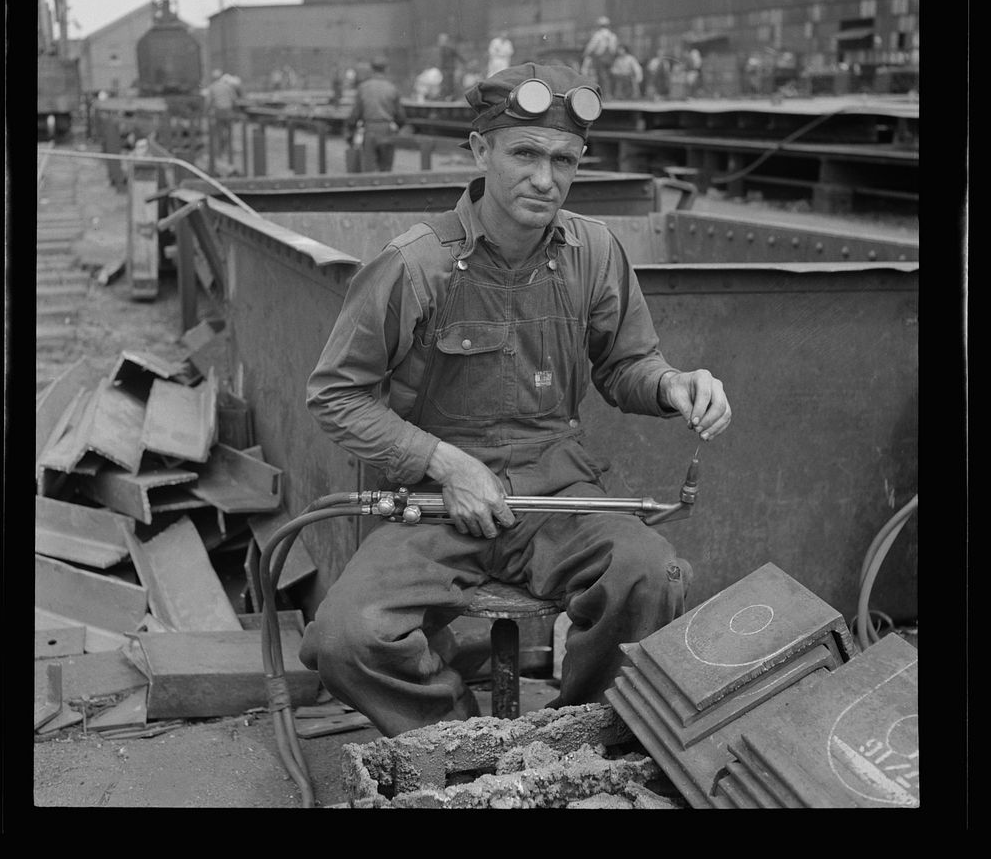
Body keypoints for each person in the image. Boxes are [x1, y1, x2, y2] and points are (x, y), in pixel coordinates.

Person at [299, 62, 732, 738]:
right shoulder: (416, 265)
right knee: (345, 636)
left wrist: (674, 385)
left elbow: (626, 365)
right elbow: (335, 395)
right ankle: (461, 738)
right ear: (480, 150)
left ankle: (574, 740)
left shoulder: (592, 250)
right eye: (524, 153)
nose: (544, 177)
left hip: (556, 493)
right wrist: (443, 462)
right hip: (437, 503)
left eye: (564, 159)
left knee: (654, 574)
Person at [344, 58, 406, 173]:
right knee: (386, 169)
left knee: (369, 170)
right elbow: (401, 116)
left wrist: (350, 131)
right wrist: (396, 127)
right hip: (387, 130)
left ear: (372, 69)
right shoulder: (392, 88)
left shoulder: (363, 87)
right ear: (386, 69)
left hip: (369, 129)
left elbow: (355, 114)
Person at [581, 16, 619, 99]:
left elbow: (592, 46)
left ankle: (604, 94)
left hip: (601, 57)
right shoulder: (613, 36)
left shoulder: (598, 35)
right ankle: (609, 94)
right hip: (610, 57)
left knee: (601, 76)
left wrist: (585, 53)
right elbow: (615, 48)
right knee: (608, 76)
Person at [205, 68, 239, 159]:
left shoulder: (212, 87)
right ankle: (228, 149)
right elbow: (234, 99)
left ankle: (220, 150)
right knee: (229, 131)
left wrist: (207, 111)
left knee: (219, 131)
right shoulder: (227, 86)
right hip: (228, 111)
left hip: (218, 111)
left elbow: (209, 101)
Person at [437, 34, 465, 99]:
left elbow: (459, 56)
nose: (440, 42)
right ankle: (445, 96)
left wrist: (464, 62)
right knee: (445, 83)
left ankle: (450, 96)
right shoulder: (441, 50)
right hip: (445, 69)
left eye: (442, 40)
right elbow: (441, 61)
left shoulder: (449, 49)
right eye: (440, 40)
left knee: (449, 83)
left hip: (449, 69)